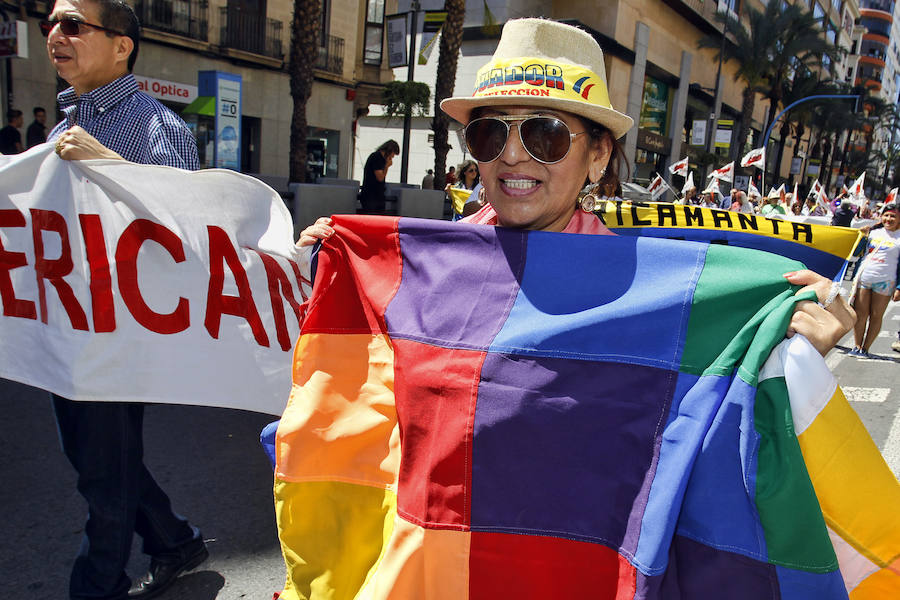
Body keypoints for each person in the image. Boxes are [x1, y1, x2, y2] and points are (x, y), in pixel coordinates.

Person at [287, 18, 857, 597]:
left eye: (546, 134)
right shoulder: (414, 276)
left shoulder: (655, 301)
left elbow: (712, 435)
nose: (512, 156)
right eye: (489, 135)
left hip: (570, 576)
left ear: (598, 155)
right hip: (431, 576)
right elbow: (349, 413)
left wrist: (794, 351)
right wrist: (328, 277)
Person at [43, 1, 205, 598]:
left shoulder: (155, 128)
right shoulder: (63, 120)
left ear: (121, 45)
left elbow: (182, 234)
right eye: (53, 23)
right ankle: (174, 540)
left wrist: (104, 165)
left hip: (119, 334)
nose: (57, 36)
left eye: (74, 25)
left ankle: (97, 586)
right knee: (96, 459)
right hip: (65, 323)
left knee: (103, 480)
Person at [849, 203, 900, 357]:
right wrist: (862, 237)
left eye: (893, 216)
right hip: (865, 278)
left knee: (876, 315)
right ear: (881, 217)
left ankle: (866, 348)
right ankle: (857, 346)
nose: (889, 219)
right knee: (860, 314)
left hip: (886, 282)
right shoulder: (873, 233)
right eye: (886, 215)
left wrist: (899, 287)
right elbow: (856, 252)